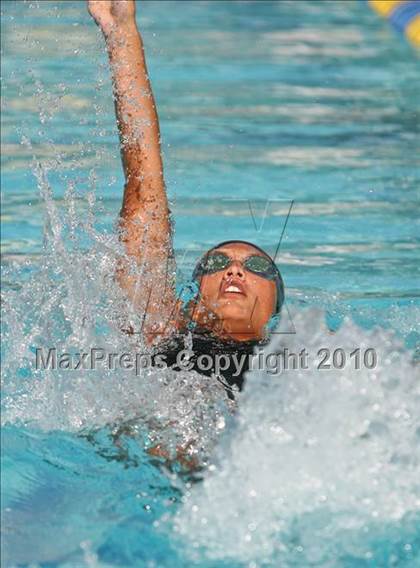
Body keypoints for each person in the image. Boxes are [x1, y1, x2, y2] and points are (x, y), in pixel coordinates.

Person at [87, 0, 284, 399]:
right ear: (192, 304)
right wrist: (122, 35)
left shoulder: (304, 365)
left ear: (276, 309)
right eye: (215, 262)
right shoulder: (162, 329)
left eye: (257, 265)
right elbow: (143, 195)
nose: (233, 271)